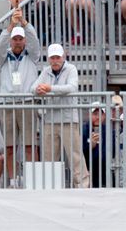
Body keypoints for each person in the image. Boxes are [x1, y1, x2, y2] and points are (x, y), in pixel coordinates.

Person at [32, 43, 90, 188]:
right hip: (50, 120)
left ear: (63, 57)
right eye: (52, 58)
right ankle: (49, 186)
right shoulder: (46, 72)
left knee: (75, 156)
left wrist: (49, 88)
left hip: (68, 119)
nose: (55, 60)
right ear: (48, 59)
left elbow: (71, 87)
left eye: (57, 57)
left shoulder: (71, 69)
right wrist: (39, 90)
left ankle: (83, 186)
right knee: (48, 157)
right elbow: (33, 88)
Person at [0, 8, 39, 186]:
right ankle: (13, 180)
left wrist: (25, 22)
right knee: (10, 147)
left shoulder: (32, 56)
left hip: (27, 103)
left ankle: (32, 179)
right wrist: (12, 24)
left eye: (21, 39)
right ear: (11, 40)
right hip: (7, 104)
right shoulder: (3, 58)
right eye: (15, 39)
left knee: (30, 145)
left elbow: (35, 41)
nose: (18, 42)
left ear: (24, 40)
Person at [82, 102, 110, 188]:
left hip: (105, 173)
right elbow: (78, 152)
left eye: (100, 114)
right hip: (88, 172)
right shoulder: (84, 130)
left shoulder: (109, 131)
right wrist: (90, 146)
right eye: (95, 114)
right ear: (90, 115)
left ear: (104, 116)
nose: (97, 117)